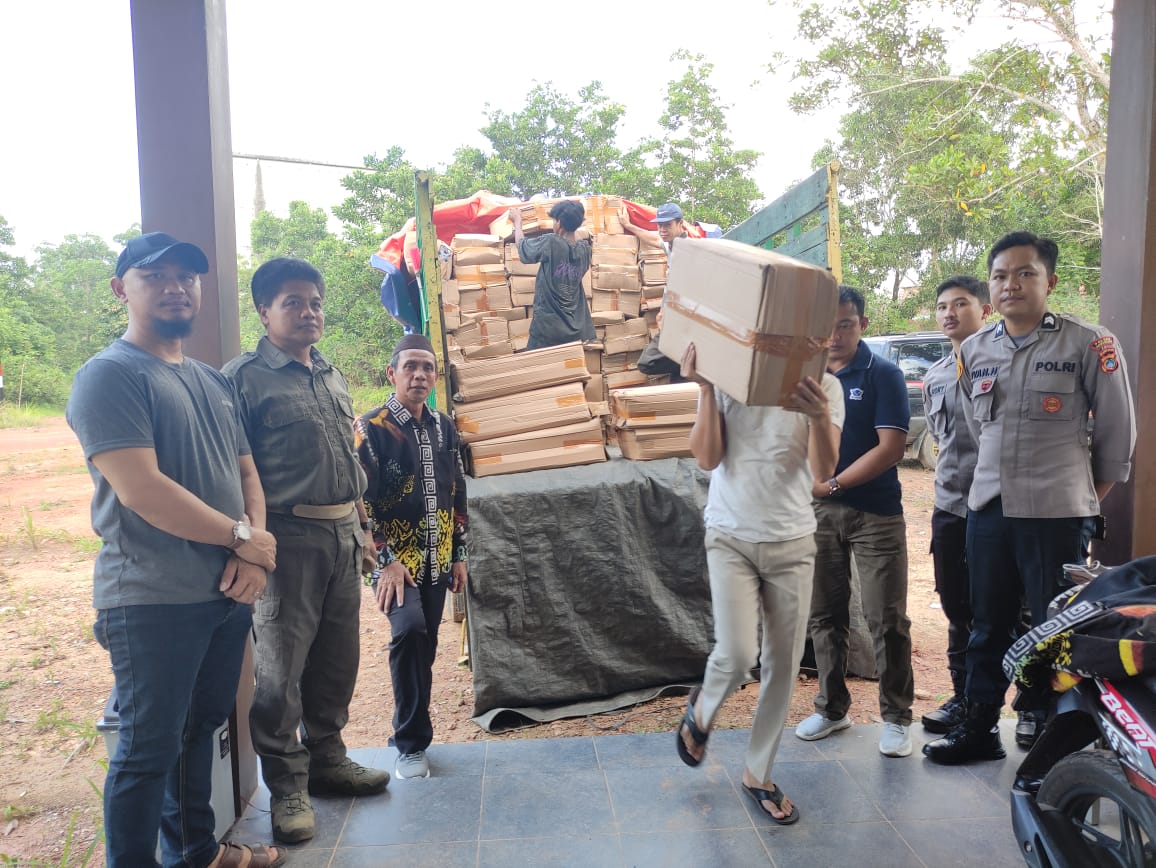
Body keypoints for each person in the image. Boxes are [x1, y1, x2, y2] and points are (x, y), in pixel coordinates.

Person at [66, 232, 284, 868]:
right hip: (152, 599)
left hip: (222, 593)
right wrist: (245, 538)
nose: (174, 286)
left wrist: (250, 552)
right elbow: (142, 490)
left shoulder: (212, 381)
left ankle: (196, 854)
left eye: (186, 276)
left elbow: (247, 474)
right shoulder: (109, 376)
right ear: (120, 290)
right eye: (153, 275)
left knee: (199, 731)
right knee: (145, 750)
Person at [925, 231, 1137, 764]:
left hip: (1058, 514)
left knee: (1055, 625)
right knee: (986, 622)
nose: (1010, 284)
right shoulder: (975, 350)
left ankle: (1047, 726)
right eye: (1000, 275)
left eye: (1025, 273)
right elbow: (979, 428)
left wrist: (1082, 498)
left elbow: (1116, 435)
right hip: (990, 511)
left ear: (1051, 282)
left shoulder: (1089, 343)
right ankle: (979, 728)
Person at [223, 258, 389, 844]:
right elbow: (232, 474)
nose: (309, 312)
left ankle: (329, 760)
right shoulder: (242, 379)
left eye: (315, 301)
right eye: (293, 302)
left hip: (343, 535)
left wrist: (364, 529)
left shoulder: (330, 373)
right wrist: (247, 543)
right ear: (264, 311)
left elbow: (348, 459)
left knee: (337, 660)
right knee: (280, 672)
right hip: (287, 541)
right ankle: (287, 787)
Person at [676, 342, 843, 824]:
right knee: (736, 654)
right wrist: (705, 389)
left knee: (783, 665)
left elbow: (823, 471)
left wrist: (817, 415)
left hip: (792, 543)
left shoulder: (825, 386)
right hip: (730, 536)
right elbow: (706, 458)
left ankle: (758, 773)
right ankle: (702, 711)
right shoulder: (729, 378)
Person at [797, 286, 916, 758]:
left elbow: (890, 448)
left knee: (886, 618)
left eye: (845, 324)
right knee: (824, 614)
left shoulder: (883, 374)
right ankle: (831, 708)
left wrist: (834, 484)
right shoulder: (805, 376)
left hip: (875, 512)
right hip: (819, 511)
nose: (834, 335)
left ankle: (897, 717)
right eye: (826, 326)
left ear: (862, 324)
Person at [355, 334, 468, 780]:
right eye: (410, 367)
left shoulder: (445, 426)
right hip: (394, 565)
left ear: (435, 377)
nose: (419, 375)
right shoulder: (372, 428)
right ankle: (409, 744)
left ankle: (409, 730)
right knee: (410, 631)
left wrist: (459, 553)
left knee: (426, 646)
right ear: (393, 373)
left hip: (438, 558)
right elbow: (361, 502)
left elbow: (456, 492)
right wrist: (385, 561)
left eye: (427, 368)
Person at [919, 276, 991, 736]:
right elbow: (942, 440)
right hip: (950, 505)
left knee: (1011, 608)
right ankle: (962, 697)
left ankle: (1028, 706)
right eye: (942, 305)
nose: (949, 313)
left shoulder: (1004, 364)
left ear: (984, 310)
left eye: (960, 304)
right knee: (956, 604)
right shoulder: (936, 375)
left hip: (998, 507)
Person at [511, 199, 594, 350]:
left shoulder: (552, 243)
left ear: (559, 223)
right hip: (576, 328)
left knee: (537, 369)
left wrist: (517, 222)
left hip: (548, 329)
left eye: (554, 220)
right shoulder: (585, 250)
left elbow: (523, 247)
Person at [624, 203, 689, 380]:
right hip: (672, 320)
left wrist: (673, 317)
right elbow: (653, 240)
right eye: (659, 225)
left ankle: (690, 362)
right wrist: (629, 226)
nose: (662, 229)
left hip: (683, 323)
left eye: (667, 225)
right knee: (678, 381)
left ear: (680, 223)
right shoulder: (671, 246)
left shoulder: (690, 251)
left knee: (648, 361)